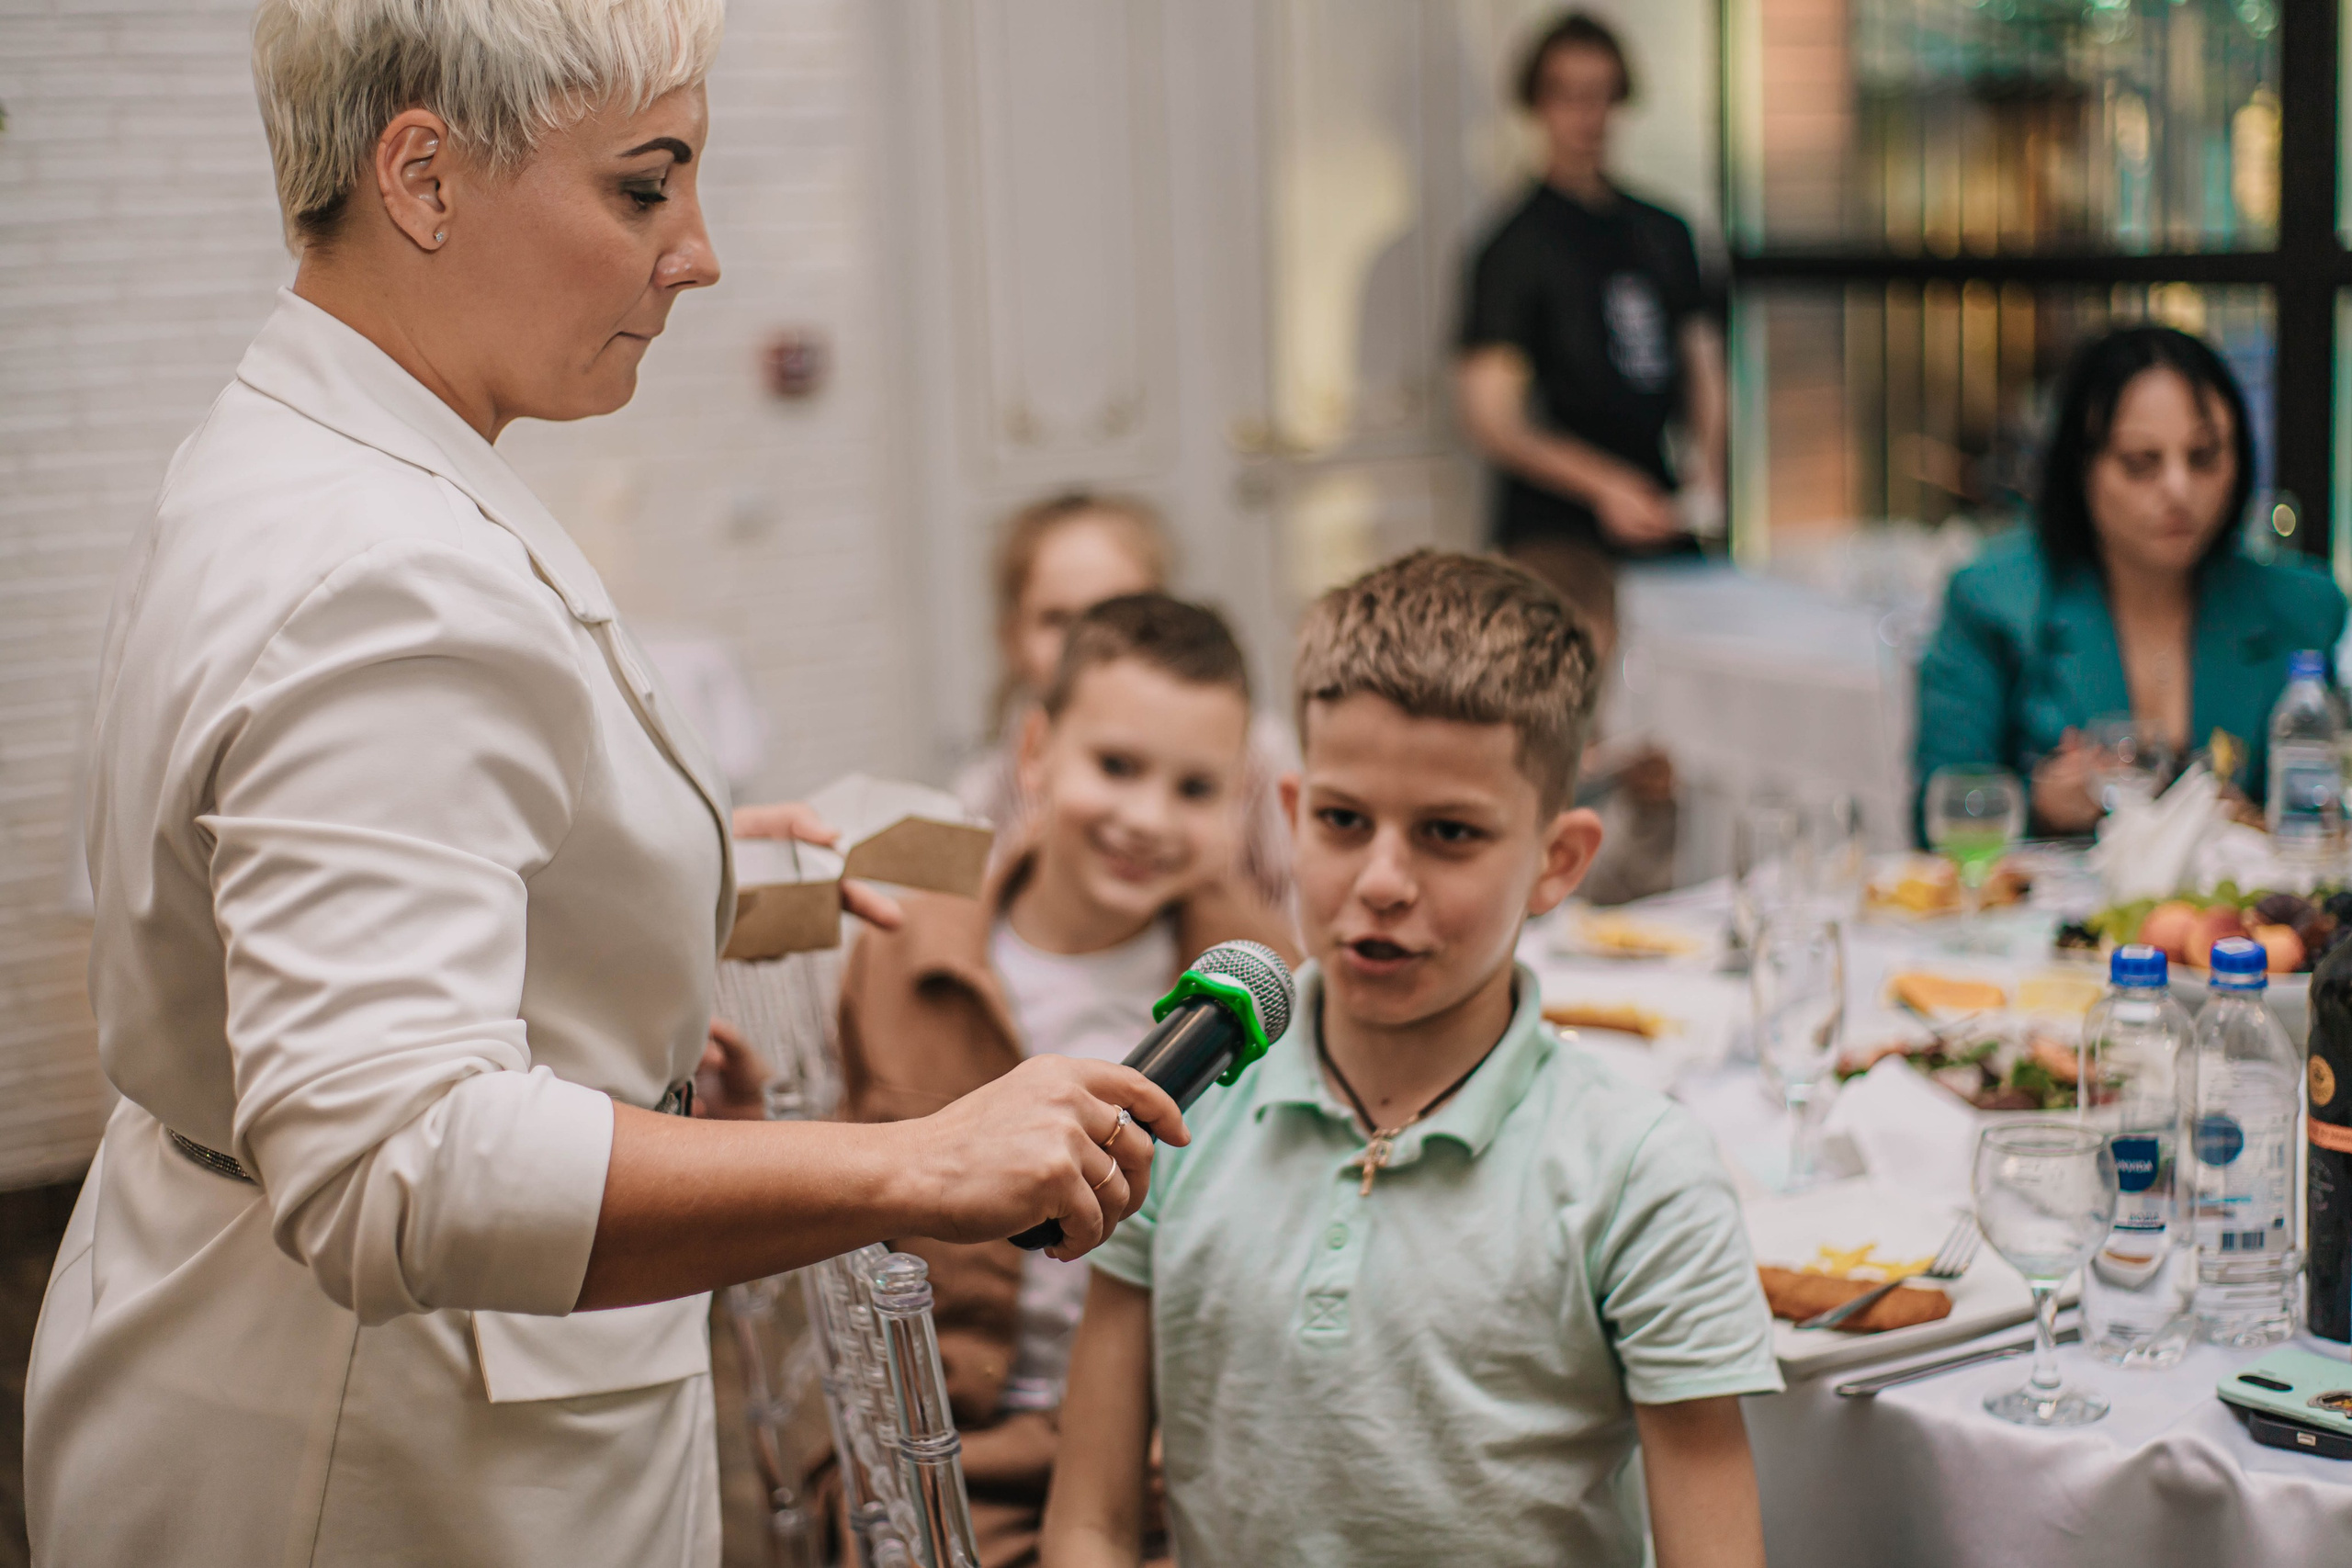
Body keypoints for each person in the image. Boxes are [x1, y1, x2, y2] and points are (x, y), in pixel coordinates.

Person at [28, 6, 1182, 1564]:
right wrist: (926, 1160)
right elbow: (391, 1158)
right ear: (422, 179)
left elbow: (346, 870)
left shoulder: (307, 440)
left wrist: (641, 907)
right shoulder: (387, 576)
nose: (695, 252)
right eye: (645, 186)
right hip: (376, 1445)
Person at [1041, 551, 1780, 1568]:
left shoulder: (1639, 1175)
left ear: (1558, 861)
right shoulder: (1178, 1103)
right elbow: (1092, 1524)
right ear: (1293, 816)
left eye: (1448, 834)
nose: (1382, 881)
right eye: (1344, 822)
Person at [838, 594, 1297, 1566]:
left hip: (1184, 1451)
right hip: (973, 1448)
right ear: (1038, 754)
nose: (1146, 818)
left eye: (1194, 788)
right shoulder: (910, 955)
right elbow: (845, 1217)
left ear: (1242, 799)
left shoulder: (1261, 985)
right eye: (1116, 767)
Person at [1913, 324, 2348, 840]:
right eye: (2141, 463)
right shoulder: (1992, 600)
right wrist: (2041, 806)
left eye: (2204, 457)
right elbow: (1936, 818)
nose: (2179, 489)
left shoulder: (2304, 605)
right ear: (2081, 470)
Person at [956, 491, 1295, 908]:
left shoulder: (1258, 751)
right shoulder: (981, 795)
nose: (1085, 643)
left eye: (1116, 611)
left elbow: (1296, 913)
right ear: (1011, 638)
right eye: (1056, 620)